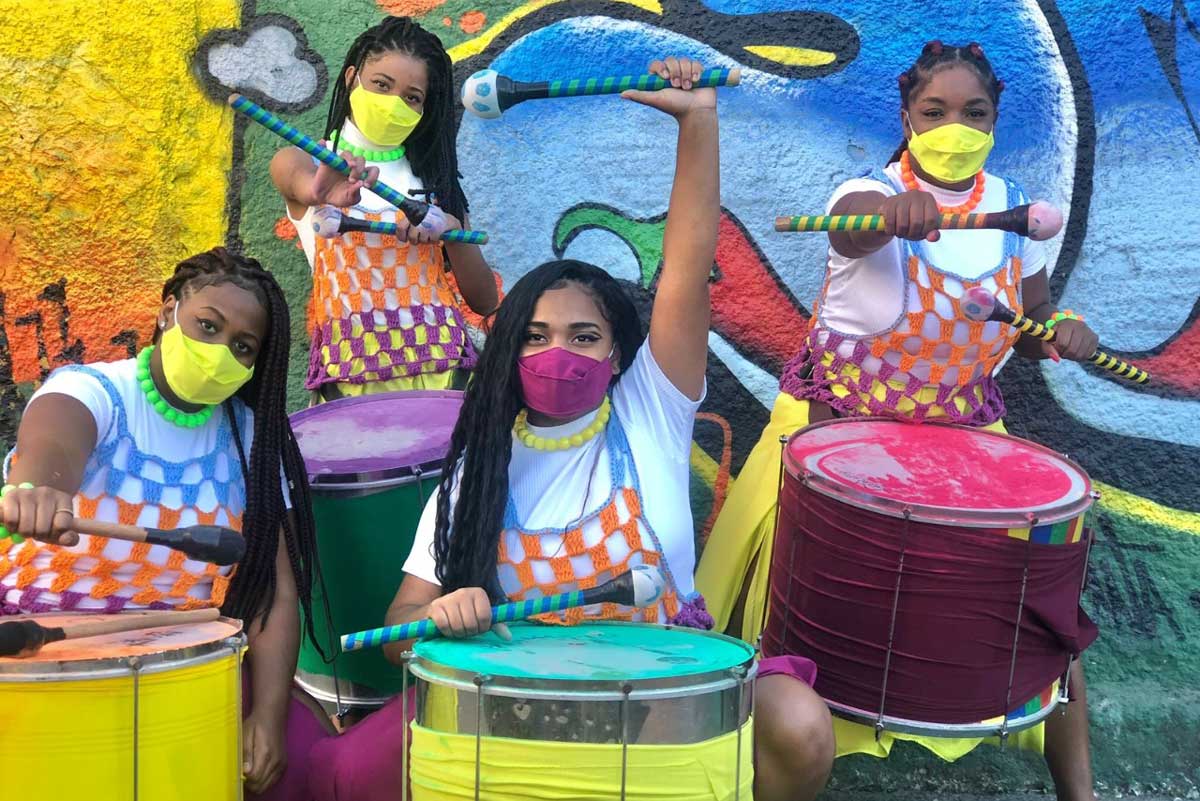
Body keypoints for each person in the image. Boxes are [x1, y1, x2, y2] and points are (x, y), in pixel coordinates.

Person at [306, 57, 835, 801]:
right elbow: (398, 631)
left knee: (796, 720)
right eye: (535, 335)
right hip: (525, 709)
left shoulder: (652, 408)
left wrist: (698, 122)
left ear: (618, 352)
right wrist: (436, 616)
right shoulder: (478, 468)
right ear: (508, 351)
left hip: (662, 703)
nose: (559, 352)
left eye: (584, 336)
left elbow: (686, 263)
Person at [696, 41, 1100, 801]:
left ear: (995, 120)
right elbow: (851, 229)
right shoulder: (864, 190)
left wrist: (1066, 330)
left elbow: (1039, 313)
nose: (955, 125)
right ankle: (759, 763)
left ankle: (1080, 792)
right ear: (908, 117)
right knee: (782, 613)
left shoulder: (1017, 212)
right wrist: (890, 215)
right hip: (834, 442)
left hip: (965, 448)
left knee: (1047, 619)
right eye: (935, 111)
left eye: (973, 113)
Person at [0, 248, 335, 800]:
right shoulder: (93, 389)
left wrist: (269, 716)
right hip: (46, 650)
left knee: (305, 757)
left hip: (186, 668)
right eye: (207, 325)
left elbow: (274, 595)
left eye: (241, 347)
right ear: (167, 312)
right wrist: (42, 489)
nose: (219, 351)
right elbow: (54, 438)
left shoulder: (254, 437)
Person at [270, 15, 498, 402]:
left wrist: (452, 230)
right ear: (351, 78)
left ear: (425, 108)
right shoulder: (304, 161)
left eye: (412, 97)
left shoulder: (435, 182)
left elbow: (485, 301)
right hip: (349, 379)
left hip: (444, 374)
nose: (394, 104)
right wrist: (322, 189)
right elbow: (303, 185)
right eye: (381, 85)